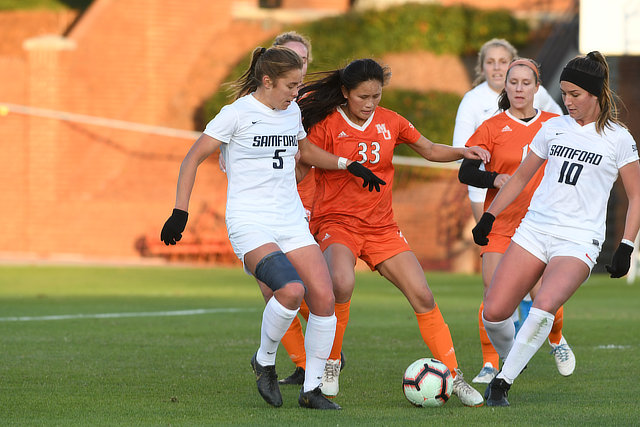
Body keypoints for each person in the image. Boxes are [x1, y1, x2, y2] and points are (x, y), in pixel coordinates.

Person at [160, 46, 385, 410]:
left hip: (291, 220)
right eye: (290, 85)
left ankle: (312, 391)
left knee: (325, 299)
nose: (297, 93)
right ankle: (264, 359)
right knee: (292, 290)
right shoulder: (236, 115)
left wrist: (347, 163)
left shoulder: (290, 111)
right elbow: (192, 158)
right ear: (267, 82)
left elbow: (305, 152)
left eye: (298, 85)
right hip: (250, 222)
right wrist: (179, 212)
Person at [296, 58, 490, 407]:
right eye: (363, 96)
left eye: (377, 95)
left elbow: (429, 149)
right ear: (345, 92)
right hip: (336, 223)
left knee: (423, 295)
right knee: (341, 282)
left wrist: (462, 151)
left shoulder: (391, 121)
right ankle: (331, 362)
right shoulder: (327, 122)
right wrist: (346, 164)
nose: (370, 103)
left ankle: (454, 375)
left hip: (382, 227)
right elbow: (306, 151)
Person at [472, 51, 640, 406]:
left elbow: (637, 195)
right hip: (534, 230)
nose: (568, 101)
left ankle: (502, 382)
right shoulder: (553, 128)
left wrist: (626, 245)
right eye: (563, 93)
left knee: (544, 303)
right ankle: (514, 359)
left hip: (579, 239)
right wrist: (490, 217)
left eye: (575, 94)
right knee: (493, 312)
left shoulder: (618, 138)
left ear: (596, 93)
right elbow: (519, 179)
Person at [452, 38, 563, 383]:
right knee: (493, 296)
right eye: (513, 82)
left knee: (544, 297)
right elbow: (465, 171)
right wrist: (494, 178)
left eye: (525, 83)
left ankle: (558, 339)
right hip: (501, 221)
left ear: (536, 87)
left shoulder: (554, 123)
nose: (517, 87)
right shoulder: (490, 125)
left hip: (539, 224)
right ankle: (491, 364)